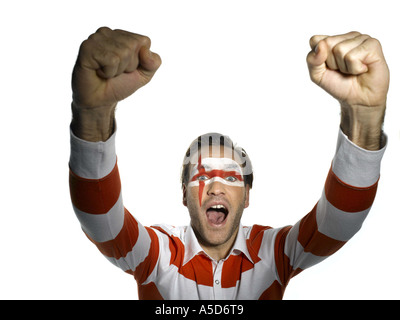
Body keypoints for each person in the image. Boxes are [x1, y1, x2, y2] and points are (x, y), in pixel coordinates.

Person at [69, 27, 389, 299]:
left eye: (232, 177)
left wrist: (363, 120)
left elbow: (337, 224)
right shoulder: (157, 252)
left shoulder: (274, 251)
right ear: (183, 194)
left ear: (247, 196)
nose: (216, 185)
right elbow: (102, 224)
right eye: (202, 175)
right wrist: (93, 117)